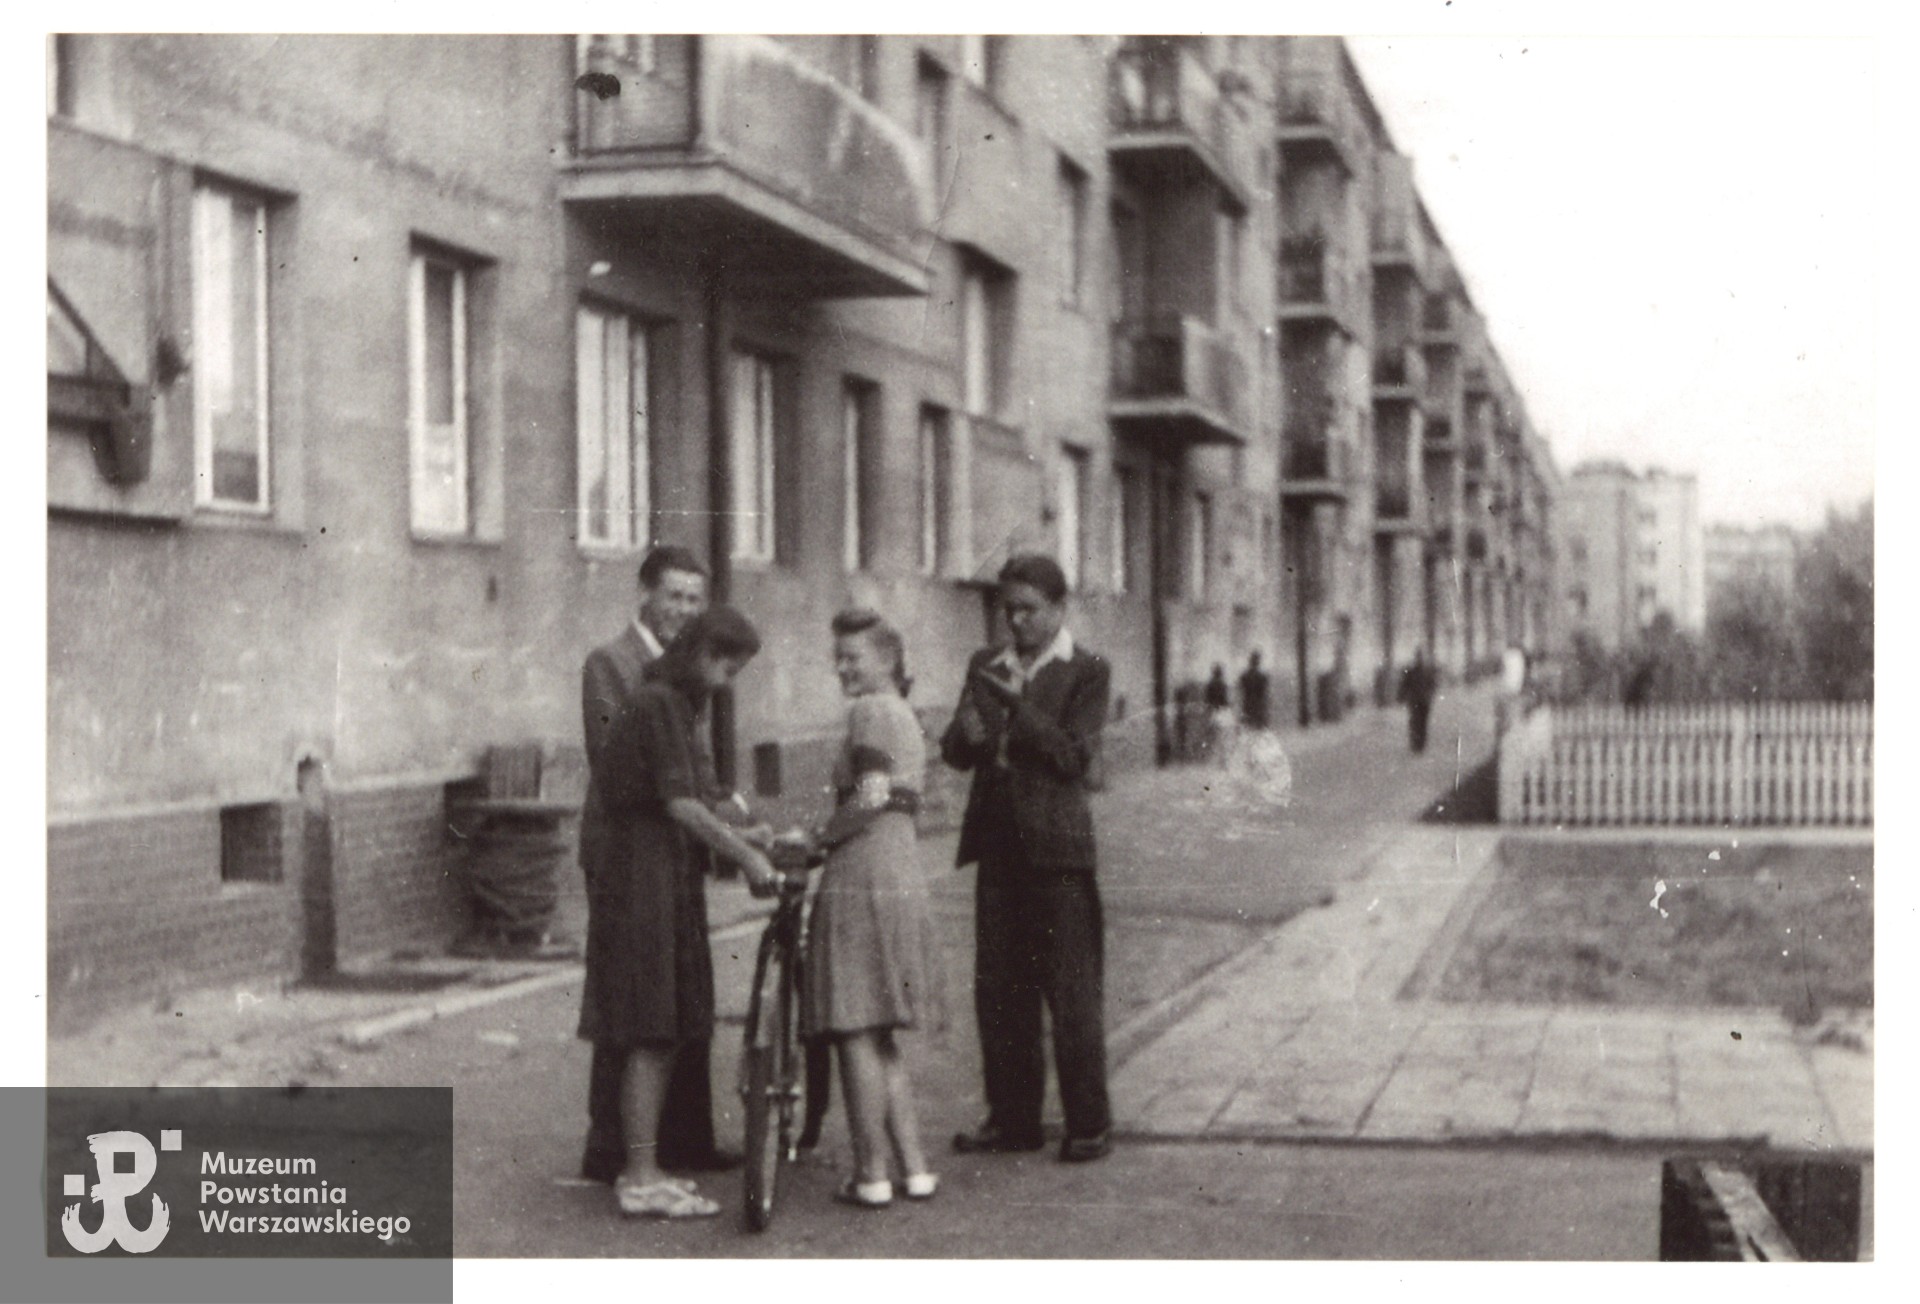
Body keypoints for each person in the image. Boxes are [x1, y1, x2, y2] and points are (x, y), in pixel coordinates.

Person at [576, 604, 781, 1219]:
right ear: (699, 652)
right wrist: (745, 856)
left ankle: (645, 1166)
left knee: (661, 1029)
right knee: (649, 1026)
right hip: (641, 877)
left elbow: (697, 800)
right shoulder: (662, 701)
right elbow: (681, 807)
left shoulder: (674, 704)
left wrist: (751, 833)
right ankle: (639, 1177)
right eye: (725, 665)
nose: (726, 680)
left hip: (661, 873)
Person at [942, 554, 1113, 1163]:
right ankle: (1013, 1119)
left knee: (1070, 990)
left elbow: (1075, 757)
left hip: (1059, 852)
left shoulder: (1086, 671)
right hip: (998, 848)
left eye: (1029, 611)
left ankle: (1088, 1123)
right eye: (1008, 610)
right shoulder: (984, 663)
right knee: (999, 989)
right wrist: (967, 733)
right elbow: (957, 752)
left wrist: (1018, 707)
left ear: (1059, 609)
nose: (1016, 622)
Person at [802, 609, 944, 1209]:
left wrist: (816, 841)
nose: (842, 668)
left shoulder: (870, 710)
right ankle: (913, 1168)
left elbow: (871, 796)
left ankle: (871, 1173)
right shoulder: (904, 714)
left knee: (853, 1027)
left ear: (887, 660)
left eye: (852, 657)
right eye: (838, 657)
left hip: (862, 874)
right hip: (900, 869)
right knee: (880, 1033)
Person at [1398, 647, 1439, 754]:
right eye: (1418, 657)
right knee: (1415, 722)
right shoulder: (1411, 671)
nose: (1419, 660)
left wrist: (1430, 694)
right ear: (1415, 658)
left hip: (1424, 700)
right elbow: (1404, 684)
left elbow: (1433, 684)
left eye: (1420, 657)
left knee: (1423, 722)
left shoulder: (1427, 671)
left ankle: (1421, 744)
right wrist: (1401, 696)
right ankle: (1415, 744)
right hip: (1414, 700)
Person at [1237, 652, 1271, 730]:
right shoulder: (1262, 676)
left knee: (1248, 728)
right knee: (1259, 730)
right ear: (1258, 662)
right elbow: (1265, 694)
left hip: (1247, 704)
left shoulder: (1244, 675)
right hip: (1259, 705)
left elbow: (1240, 691)